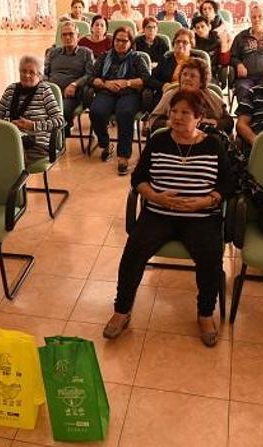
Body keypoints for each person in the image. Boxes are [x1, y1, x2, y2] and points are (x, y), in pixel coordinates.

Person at [103, 89, 234, 346]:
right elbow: (137, 178)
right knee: (133, 253)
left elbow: (228, 183)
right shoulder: (158, 140)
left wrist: (206, 201)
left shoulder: (213, 144)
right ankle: (122, 310)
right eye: (174, 111)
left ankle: (205, 313)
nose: (177, 117)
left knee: (210, 259)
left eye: (185, 112)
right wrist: (155, 197)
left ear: (199, 117)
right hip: (159, 213)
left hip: (200, 215)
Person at [88, 26, 151, 175]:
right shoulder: (105, 57)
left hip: (129, 93)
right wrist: (105, 84)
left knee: (125, 113)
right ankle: (105, 144)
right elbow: (91, 77)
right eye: (117, 40)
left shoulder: (136, 58)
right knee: (96, 111)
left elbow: (146, 79)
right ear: (113, 40)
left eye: (125, 41)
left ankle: (123, 156)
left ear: (131, 42)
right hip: (107, 91)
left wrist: (127, 83)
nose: (120, 43)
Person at [0, 55, 65, 163]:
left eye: (31, 72)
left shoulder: (44, 91)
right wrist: (8, 125)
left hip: (37, 143)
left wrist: (32, 125)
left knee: (9, 160)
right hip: (10, 139)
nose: (26, 75)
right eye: (23, 71)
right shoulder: (10, 90)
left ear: (40, 76)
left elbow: (59, 120)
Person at [148, 57, 231, 133]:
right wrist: (172, 123)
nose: (187, 78)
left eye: (192, 76)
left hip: (206, 138)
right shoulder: (170, 94)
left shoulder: (211, 96)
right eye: (184, 74)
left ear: (201, 81)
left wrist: (212, 122)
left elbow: (229, 122)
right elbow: (154, 122)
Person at [44, 21, 94, 135]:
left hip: (71, 94)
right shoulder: (53, 53)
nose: (67, 37)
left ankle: (60, 141)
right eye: (64, 35)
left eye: (71, 34)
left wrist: (74, 84)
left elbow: (89, 75)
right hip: (51, 92)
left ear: (78, 36)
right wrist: (48, 87)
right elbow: (45, 74)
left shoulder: (86, 53)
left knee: (61, 111)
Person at [230, 3, 263, 101]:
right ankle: (246, 116)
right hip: (246, 78)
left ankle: (261, 115)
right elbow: (233, 56)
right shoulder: (241, 37)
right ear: (250, 19)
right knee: (242, 89)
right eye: (254, 17)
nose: (257, 19)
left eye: (260, 16)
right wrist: (238, 64)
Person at [146, 28, 195, 106]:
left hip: (190, 97)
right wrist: (163, 85)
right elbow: (150, 80)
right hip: (166, 96)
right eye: (178, 41)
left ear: (191, 46)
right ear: (173, 44)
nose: (180, 44)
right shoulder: (165, 60)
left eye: (185, 42)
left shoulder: (197, 62)